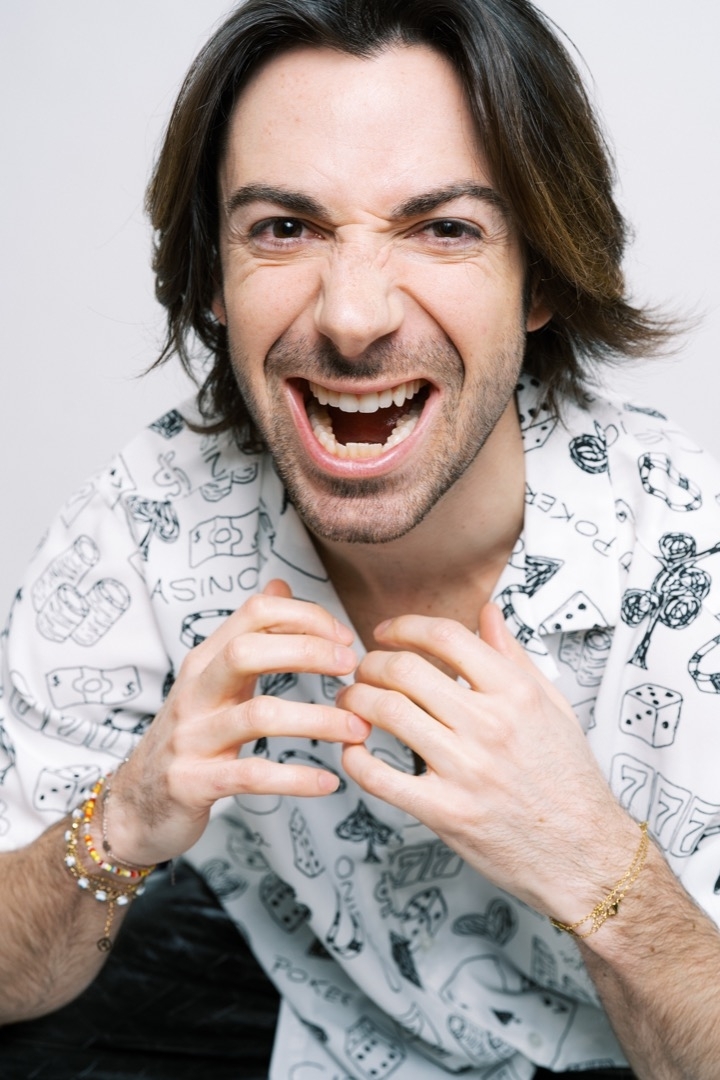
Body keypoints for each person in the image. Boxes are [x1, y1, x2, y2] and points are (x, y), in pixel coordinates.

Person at [1, 0, 719, 1077]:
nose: (351, 316)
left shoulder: (692, 564)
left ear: (542, 277)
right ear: (214, 275)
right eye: (284, 229)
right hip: (313, 1005)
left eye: (444, 228)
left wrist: (598, 865)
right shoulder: (150, 519)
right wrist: (125, 817)